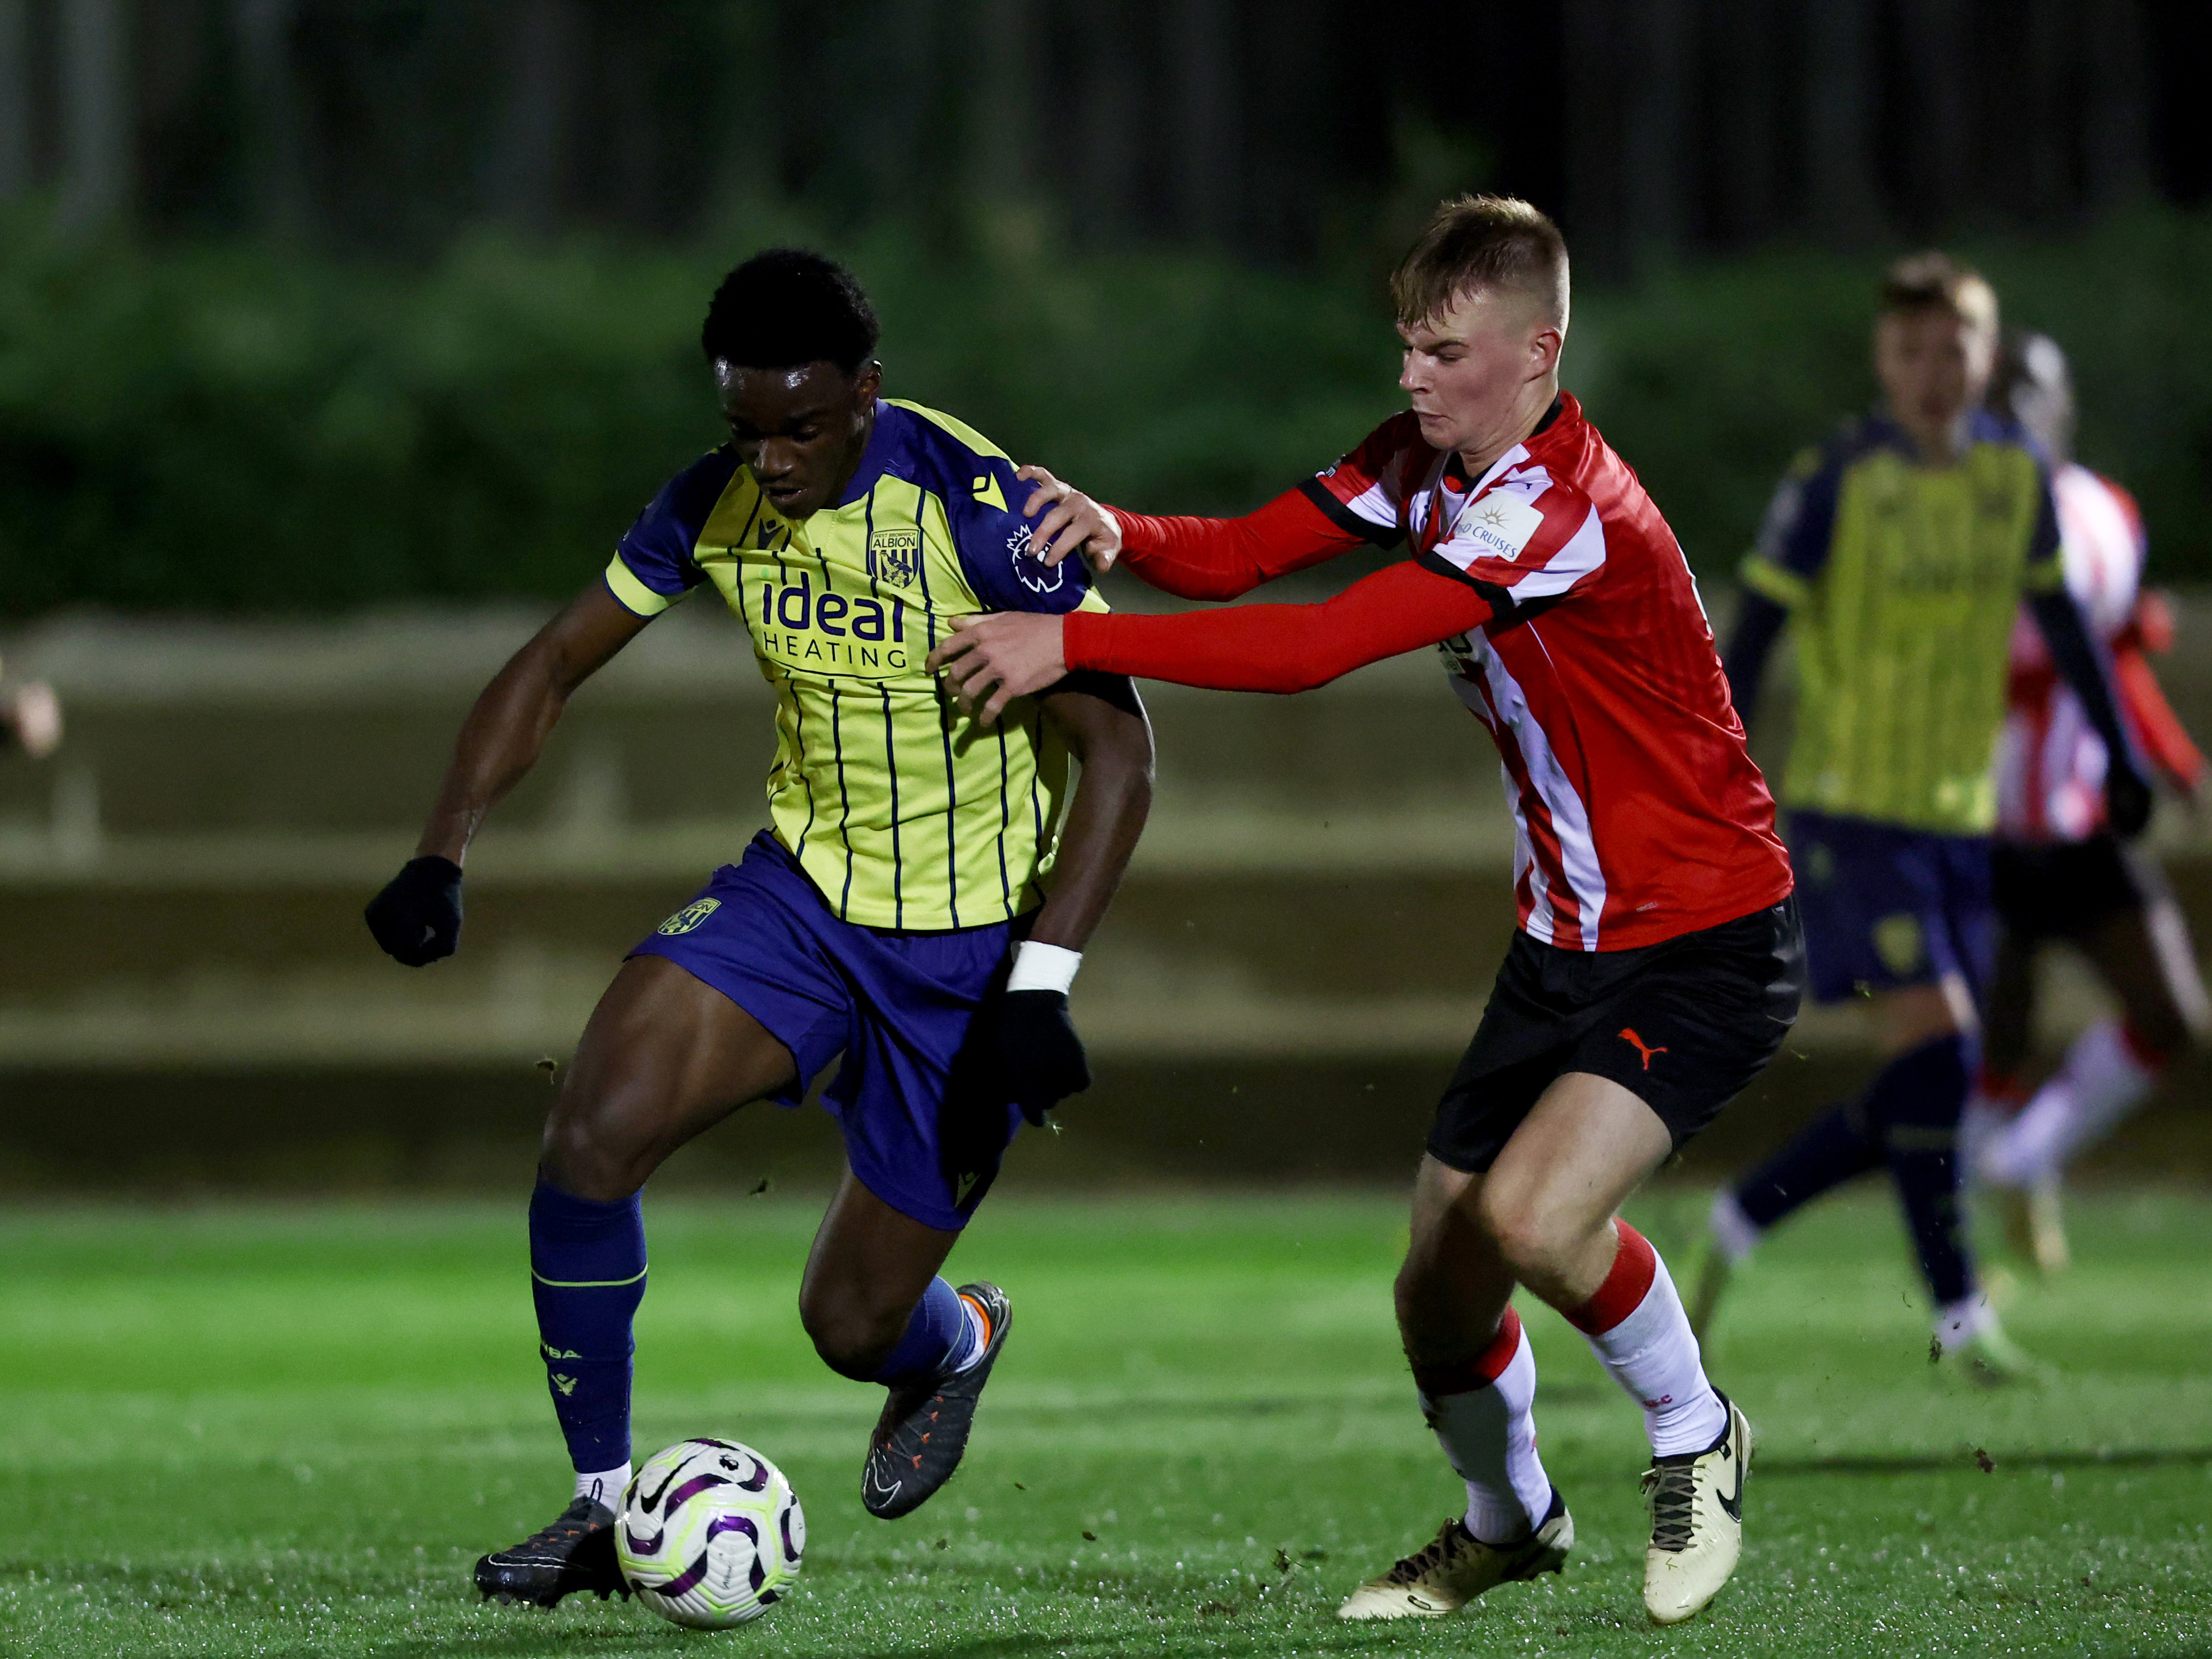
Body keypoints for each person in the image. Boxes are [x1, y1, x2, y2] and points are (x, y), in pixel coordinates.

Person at [931, 195, 1799, 1630]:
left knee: (1530, 1220)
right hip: (1562, 943)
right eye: (1405, 343)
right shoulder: (1427, 459)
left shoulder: (1556, 509)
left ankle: (1695, 1429)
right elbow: (1247, 552)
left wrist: (1069, 639)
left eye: (1445, 350)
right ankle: (1507, 1520)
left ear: (1538, 352)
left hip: (1700, 940)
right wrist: (1118, 530)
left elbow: (1311, 647)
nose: (1412, 376)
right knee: (1435, 1296)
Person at [364, 250, 1153, 1607]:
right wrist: (443, 849)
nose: (771, 460)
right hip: (796, 902)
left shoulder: (979, 515)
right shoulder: (710, 505)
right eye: (746, 427)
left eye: (801, 427)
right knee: (591, 1126)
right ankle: (601, 1511)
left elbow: (1123, 755)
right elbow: (553, 661)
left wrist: (1040, 984)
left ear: (866, 393)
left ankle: (951, 1337)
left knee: (848, 1326)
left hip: (965, 963)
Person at [1689, 258, 2151, 1382]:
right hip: (1851, 810)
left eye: (1952, 350)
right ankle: (1892, 1279)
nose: (1931, 373)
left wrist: (2120, 749)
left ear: (1983, 359)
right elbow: (1749, 634)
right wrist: (1717, 767)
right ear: (1880, 362)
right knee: (1941, 1047)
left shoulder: (2014, 481)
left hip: (1961, 818)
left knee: (1932, 1076)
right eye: (1909, 351)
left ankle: (1775, 1226)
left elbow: (2066, 622)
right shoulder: (1837, 479)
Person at [1965, 332, 2207, 1273]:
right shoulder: (1952, 518)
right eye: (2005, 397)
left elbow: (2112, 659)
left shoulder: (2108, 512)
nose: (2022, 415)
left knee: (2171, 1014)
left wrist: (2169, 757)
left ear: (2063, 408)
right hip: (1977, 817)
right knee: (1993, 1036)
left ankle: (2027, 1160)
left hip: (2082, 813)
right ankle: (1949, 1264)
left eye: (2036, 396)